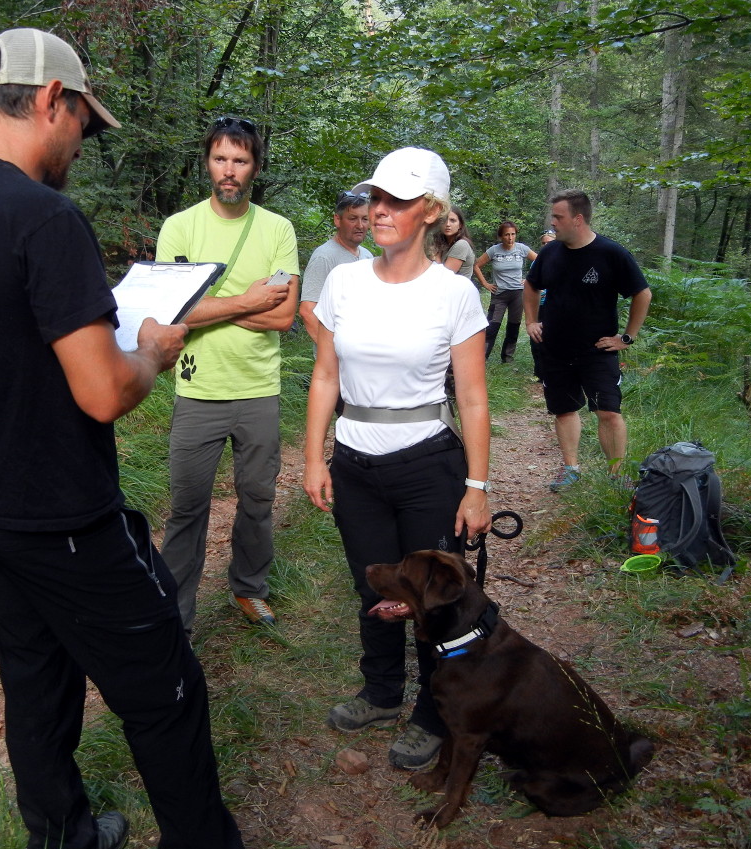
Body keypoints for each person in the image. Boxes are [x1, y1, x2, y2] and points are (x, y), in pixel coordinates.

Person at [0, 29, 295, 849]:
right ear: (49, 101)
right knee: (168, 688)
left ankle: (60, 848)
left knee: (35, 680)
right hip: (63, 510)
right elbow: (105, 393)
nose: (80, 141)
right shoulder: (43, 216)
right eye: (82, 120)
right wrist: (154, 346)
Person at [302, 147, 492, 772]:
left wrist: (477, 486)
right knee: (374, 584)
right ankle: (381, 690)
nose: (379, 211)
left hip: (426, 464)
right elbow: (325, 375)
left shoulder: (455, 293)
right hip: (356, 461)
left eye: (396, 202)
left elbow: (470, 395)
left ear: (432, 212)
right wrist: (314, 457)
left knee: (435, 595)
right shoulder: (343, 281)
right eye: (375, 199)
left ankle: (435, 712)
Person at [156, 117, 300, 630]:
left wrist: (210, 304)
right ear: (207, 163)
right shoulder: (180, 226)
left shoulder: (277, 229)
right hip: (198, 389)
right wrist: (250, 299)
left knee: (257, 499)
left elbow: (284, 317)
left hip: (258, 390)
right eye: (221, 158)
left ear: (255, 167)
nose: (229, 170)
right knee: (187, 509)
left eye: (240, 160)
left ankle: (249, 586)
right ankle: (176, 618)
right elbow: (172, 311)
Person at [523, 189, 652, 492]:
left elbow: (642, 293)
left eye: (558, 217)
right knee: (564, 409)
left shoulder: (611, 253)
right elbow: (530, 286)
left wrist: (626, 337)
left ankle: (616, 475)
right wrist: (531, 321)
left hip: (597, 350)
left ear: (578, 219)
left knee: (608, 411)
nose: (553, 222)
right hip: (555, 349)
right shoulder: (550, 253)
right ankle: (571, 469)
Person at [298, 190, 371, 346]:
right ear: (337, 220)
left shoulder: (367, 256)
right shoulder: (324, 257)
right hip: (338, 362)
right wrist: (331, 353)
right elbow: (307, 311)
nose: (360, 225)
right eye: (353, 219)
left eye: (365, 219)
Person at [474, 221, 537, 363]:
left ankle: (508, 358)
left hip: (517, 294)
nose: (510, 238)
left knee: (514, 325)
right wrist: (485, 284)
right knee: (492, 326)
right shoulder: (494, 250)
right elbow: (476, 265)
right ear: (501, 236)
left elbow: (540, 260)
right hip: (499, 294)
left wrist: (528, 279)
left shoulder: (522, 249)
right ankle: (481, 357)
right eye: (507, 235)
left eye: (513, 234)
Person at [528, 229, 556, 380]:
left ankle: (552, 370)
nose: (546, 245)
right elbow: (531, 284)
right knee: (536, 337)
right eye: (543, 243)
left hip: (554, 306)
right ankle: (539, 371)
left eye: (549, 243)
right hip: (538, 305)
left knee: (552, 337)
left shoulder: (564, 259)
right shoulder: (536, 262)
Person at [431, 207, 476, 280]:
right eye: (444, 220)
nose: (447, 224)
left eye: (453, 220)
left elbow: (444, 277)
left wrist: (437, 257)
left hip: (457, 290)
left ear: (460, 225)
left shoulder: (461, 245)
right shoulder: (444, 244)